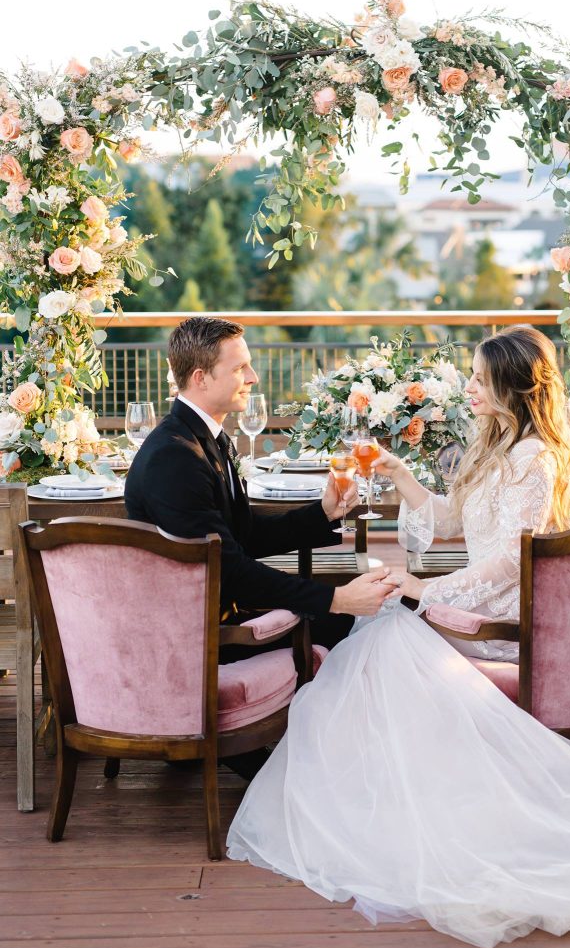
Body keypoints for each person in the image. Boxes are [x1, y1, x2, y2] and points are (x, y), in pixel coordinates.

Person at [227, 326, 570, 948]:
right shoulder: (500, 444)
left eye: (478, 379)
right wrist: (402, 474)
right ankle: (405, 806)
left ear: (512, 388)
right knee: (378, 635)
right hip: (475, 605)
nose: (468, 387)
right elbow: (448, 520)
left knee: (381, 643)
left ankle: (417, 813)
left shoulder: (536, 459)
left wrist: (424, 590)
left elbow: (505, 567)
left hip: (501, 621)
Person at [125, 317, 394, 777]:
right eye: (240, 369)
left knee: (359, 620)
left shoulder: (204, 439)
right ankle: (318, 765)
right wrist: (335, 596)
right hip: (197, 637)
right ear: (200, 378)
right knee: (354, 625)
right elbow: (230, 571)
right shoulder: (175, 457)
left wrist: (324, 512)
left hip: (216, 611)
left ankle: (326, 757)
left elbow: (242, 537)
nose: (252, 378)